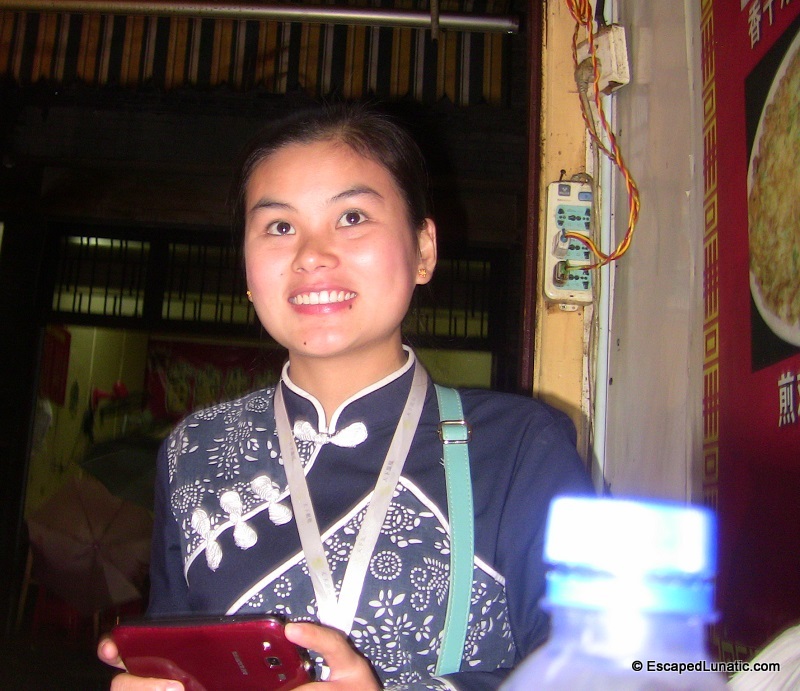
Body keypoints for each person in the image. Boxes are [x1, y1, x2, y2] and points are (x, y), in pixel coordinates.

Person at [97, 102, 593, 690]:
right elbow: (180, 647)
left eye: (352, 216)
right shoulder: (195, 451)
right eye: (280, 227)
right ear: (248, 272)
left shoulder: (519, 447)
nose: (311, 255)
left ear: (424, 250)